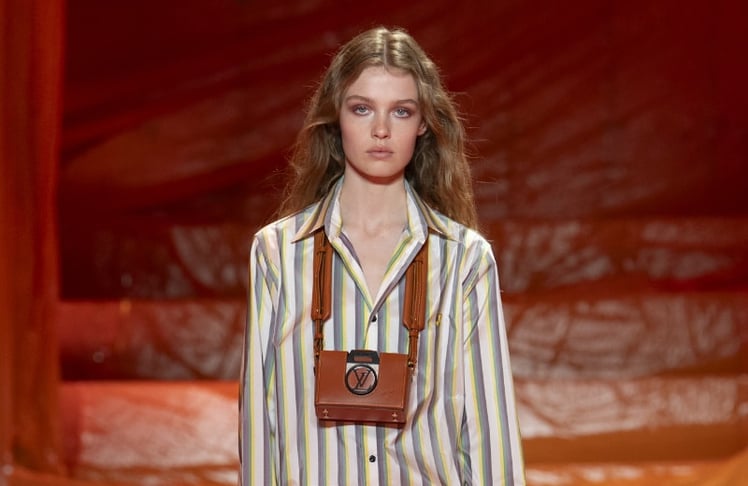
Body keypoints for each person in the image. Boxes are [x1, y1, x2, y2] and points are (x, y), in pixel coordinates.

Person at [240, 26, 525, 485]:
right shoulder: (277, 253)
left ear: (423, 123)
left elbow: (490, 435)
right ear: (336, 117)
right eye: (362, 108)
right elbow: (260, 426)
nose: (381, 130)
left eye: (401, 111)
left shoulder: (465, 261)